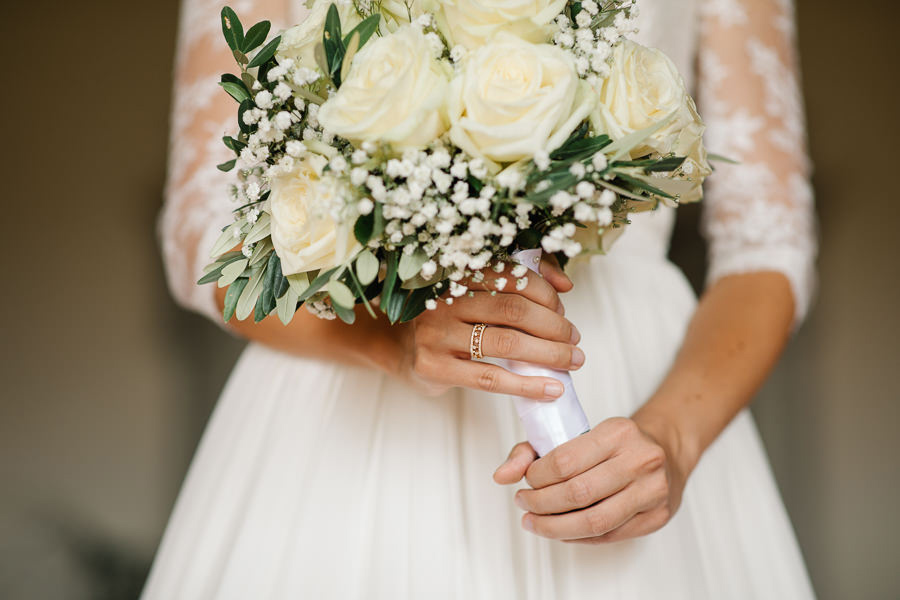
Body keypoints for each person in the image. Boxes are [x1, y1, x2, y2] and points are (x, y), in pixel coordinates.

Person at [145, 0, 817, 597]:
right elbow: (202, 233)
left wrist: (672, 434)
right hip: (347, 390)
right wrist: (387, 336)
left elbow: (768, 241)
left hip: (627, 380)